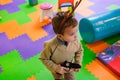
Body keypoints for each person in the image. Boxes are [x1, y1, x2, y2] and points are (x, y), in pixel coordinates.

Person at [39, 1, 83, 80]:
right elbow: (43, 58)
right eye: (72, 34)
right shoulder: (50, 46)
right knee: (58, 78)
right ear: (60, 36)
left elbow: (80, 50)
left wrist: (77, 62)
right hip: (57, 70)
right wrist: (55, 68)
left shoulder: (75, 41)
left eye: (76, 31)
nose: (76, 36)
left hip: (69, 67)